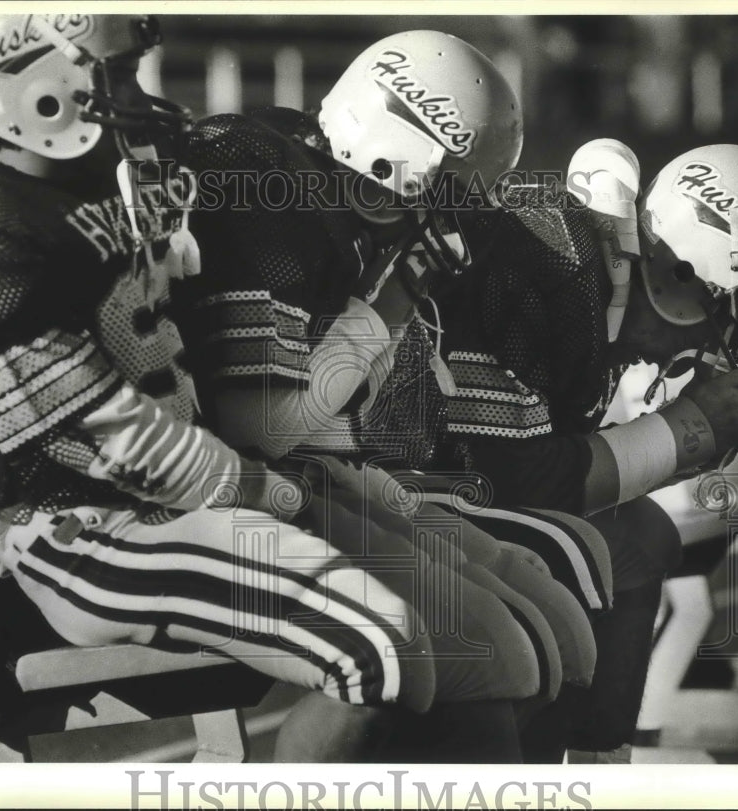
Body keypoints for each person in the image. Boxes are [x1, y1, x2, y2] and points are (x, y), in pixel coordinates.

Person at [0, 14, 550, 764]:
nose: (141, 97)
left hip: (199, 495)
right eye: (119, 75)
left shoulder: (113, 178)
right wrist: (275, 492)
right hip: (77, 523)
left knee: (495, 652)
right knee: (376, 650)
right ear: (36, 84)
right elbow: (104, 432)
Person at [166, 30, 611, 760]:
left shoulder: (326, 197)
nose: (456, 220)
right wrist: (394, 302)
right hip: (235, 491)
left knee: (553, 638)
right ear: (396, 159)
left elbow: (326, 421)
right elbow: (262, 427)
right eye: (451, 195)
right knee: (492, 655)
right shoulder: (270, 189)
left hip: (312, 479)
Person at [365, 138, 738, 761]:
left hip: (430, 481)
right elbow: (519, 483)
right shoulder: (555, 261)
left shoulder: (601, 282)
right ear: (686, 275)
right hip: (363, 472)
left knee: (640, 538)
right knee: (575, 565)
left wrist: (689, 440)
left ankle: (594, 766)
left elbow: (540, 467)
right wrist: (685, 429)